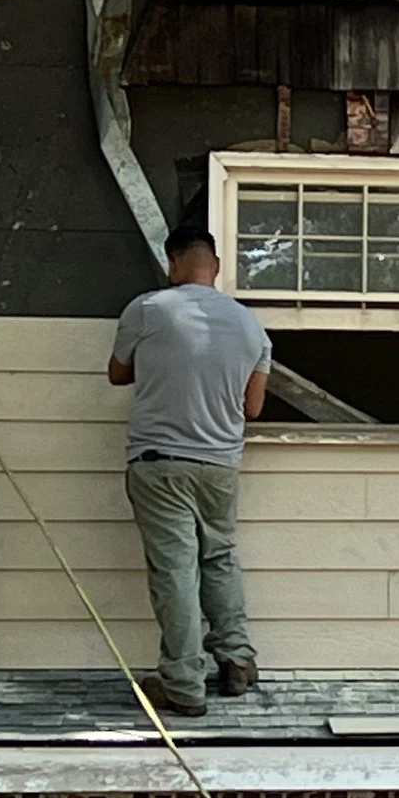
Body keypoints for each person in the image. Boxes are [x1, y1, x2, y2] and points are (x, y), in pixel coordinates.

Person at [108, 224, 272, 716]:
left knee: (176, 570)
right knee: (219, 559)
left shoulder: (150, 308)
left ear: (172, 263)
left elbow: (117, 373)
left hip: (162, 463)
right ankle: (237, 661)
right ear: (216, 267)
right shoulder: (252, 327)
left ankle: (182, 684)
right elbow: (254, 407)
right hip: (220, 465)